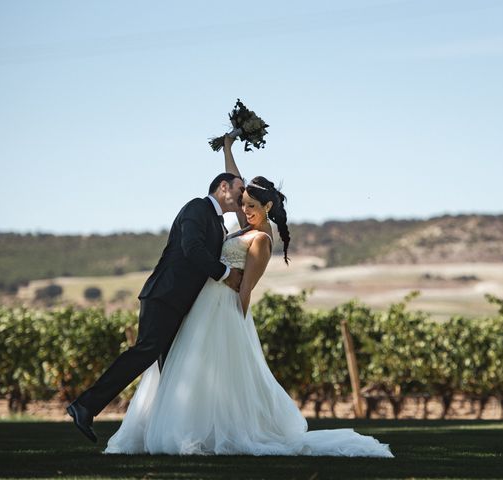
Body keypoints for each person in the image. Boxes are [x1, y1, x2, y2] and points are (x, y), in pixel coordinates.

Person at [103, 136, 394, 457]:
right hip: (203, 304)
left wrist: (235, 326)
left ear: (267, 208)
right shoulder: (244, 225)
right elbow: (235, 188)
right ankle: (184, 427)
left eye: (252, 207)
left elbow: (246, 289)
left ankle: (206, 433)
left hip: (224, 309)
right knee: (187, 369)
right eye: (244, 205)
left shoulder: (261, 239)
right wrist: (228, 149)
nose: (245, 210)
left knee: (213, 370)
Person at [66, 169, 246, 443]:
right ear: (223, 187)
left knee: (174, 368)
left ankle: (168, 432)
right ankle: (84, 406)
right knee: (146, 352)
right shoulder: (197, 207)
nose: (242, 195)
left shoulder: (219, 223)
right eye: (238, 188)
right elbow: (192, 248)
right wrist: (225, 274)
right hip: (164, 295)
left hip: (181, 303)